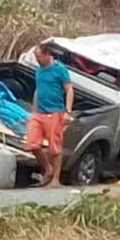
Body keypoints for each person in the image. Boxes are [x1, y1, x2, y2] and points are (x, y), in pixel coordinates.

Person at [30, 43, 74, 187]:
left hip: (54, 112)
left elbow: (69, 89)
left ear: (48, 55)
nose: (37, 59)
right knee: (33, 144)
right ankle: (48, 169)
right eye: (35, 57)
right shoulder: (38, 71)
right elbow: (38, 90)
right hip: (38, 112)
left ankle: (56, 178)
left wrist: (67, 111)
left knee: (54, 148)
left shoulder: (59, 69)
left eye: (39, 56)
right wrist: (34, 109)